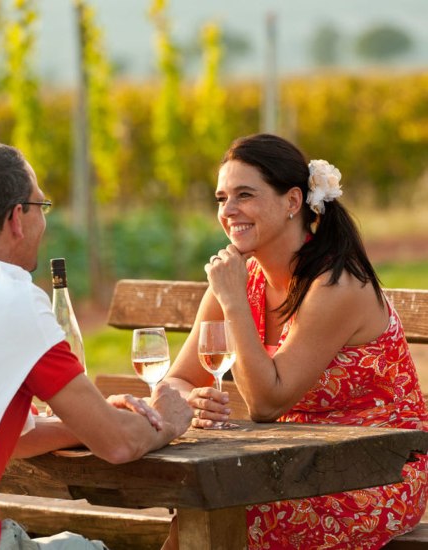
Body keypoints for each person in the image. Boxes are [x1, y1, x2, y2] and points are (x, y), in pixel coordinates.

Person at [0, 143, 192, 550]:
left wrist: (92, 419)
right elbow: (119, 445)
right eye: (41, 207)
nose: (43, 222)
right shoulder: (10, 296)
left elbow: (10, 437)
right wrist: (167, 419)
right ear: (18, 217)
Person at [163, 133, 428, 549]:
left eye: (244, 195)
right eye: (221, 198)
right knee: (205, 507)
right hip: (288, 462)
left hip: (373, 471)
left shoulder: (335, 285)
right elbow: (178, 378)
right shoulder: (238, 279)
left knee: (230, 512)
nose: (228, 211)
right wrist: (190, 401)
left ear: (292, 202)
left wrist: (232, 301)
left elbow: (267, 404)